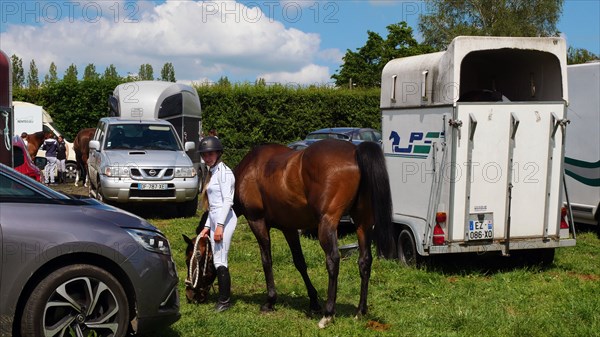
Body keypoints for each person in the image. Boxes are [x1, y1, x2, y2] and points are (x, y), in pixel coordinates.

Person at [198, 136, 237, 312]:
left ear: (218, 153)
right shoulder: (212, 172)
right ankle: (223, 299)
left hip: (225, 219)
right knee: (217, 260)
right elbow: (212, 206)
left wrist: (219, 226)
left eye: (211, 154)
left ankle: (224, 301)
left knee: (221, 260)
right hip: (215, 219)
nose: (207, 158)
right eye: (205, 155)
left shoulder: (224, 173)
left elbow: (227, 202)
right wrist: (207, 226)